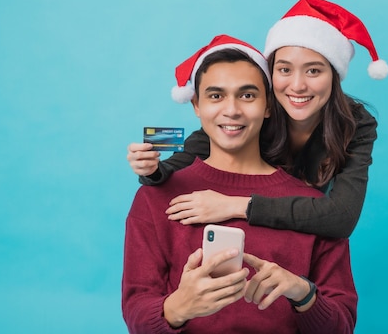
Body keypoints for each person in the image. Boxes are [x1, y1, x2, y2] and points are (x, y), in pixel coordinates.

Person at [122, 35, 357, 333]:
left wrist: (303, 293)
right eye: (216, 96)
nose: (231, 110)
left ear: (269, 106)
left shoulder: (313, 209)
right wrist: (178, 307)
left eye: (247, 96)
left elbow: (342, 325)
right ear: (196, 105)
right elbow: (137, 314)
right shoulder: (154, 199)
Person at [127, 0, 388, 239]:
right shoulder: (252, 109)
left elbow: (341, 217)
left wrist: (236, 205)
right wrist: (151, 170)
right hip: (243, 235)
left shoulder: (355, 124)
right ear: (270, 74)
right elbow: (186, 158)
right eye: (284, 69)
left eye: (313, 71)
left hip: (296, 238)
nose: (297, 86)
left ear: (334, 76)